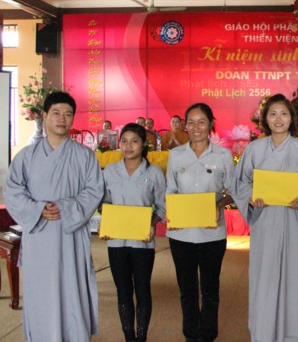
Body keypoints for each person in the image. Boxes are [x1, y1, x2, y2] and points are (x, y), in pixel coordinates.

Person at [4, 91, 104, 341]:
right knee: (41, 290)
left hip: (71, 235)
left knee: (72, 288)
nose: (62, 119)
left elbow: (94, 190)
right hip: (39, 235)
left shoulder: (85, 156)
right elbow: (13, 190)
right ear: (44, 116)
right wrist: (37, 209)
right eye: (56, 113)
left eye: (68, 114)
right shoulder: (26, 156)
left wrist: (67, 207)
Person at [232, 93, 298, 342]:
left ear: (291, 118)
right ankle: (263, 334)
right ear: (265, 118)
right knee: (264, 278)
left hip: (295, 223)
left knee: (294, 280)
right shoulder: (254, 149)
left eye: (284, 114)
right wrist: (251, 196)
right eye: (273, 114)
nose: (278, 119)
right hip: (266, 222)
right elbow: (240, 183)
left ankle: (291, 335)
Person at [165, 103, 235, 342]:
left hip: (212, 234)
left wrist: (219, 204)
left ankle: (207, 336)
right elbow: (171, 190)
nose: (196, 127)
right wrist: (171, 212)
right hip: (181, 235)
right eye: (191, 122)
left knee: (210, 290)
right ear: (185, 125)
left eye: (201, 122)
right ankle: (190, 335)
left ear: (210, 124)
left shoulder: (223, 156)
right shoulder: (176, 155)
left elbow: (233, 191)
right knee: (187, 291)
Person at [101, 123, 166, 342]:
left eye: (134, 141)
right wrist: (106, 223)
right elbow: (104, 202)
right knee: (123, 291)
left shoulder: (154, 172)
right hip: (116, 242)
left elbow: (162, 205)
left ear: (144, 144)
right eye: (124, 141)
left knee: (143, 289)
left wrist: (152, 223)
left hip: (142, 243)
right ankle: (129, 336)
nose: (128, 146)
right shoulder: (110, 171)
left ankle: (141, 336)